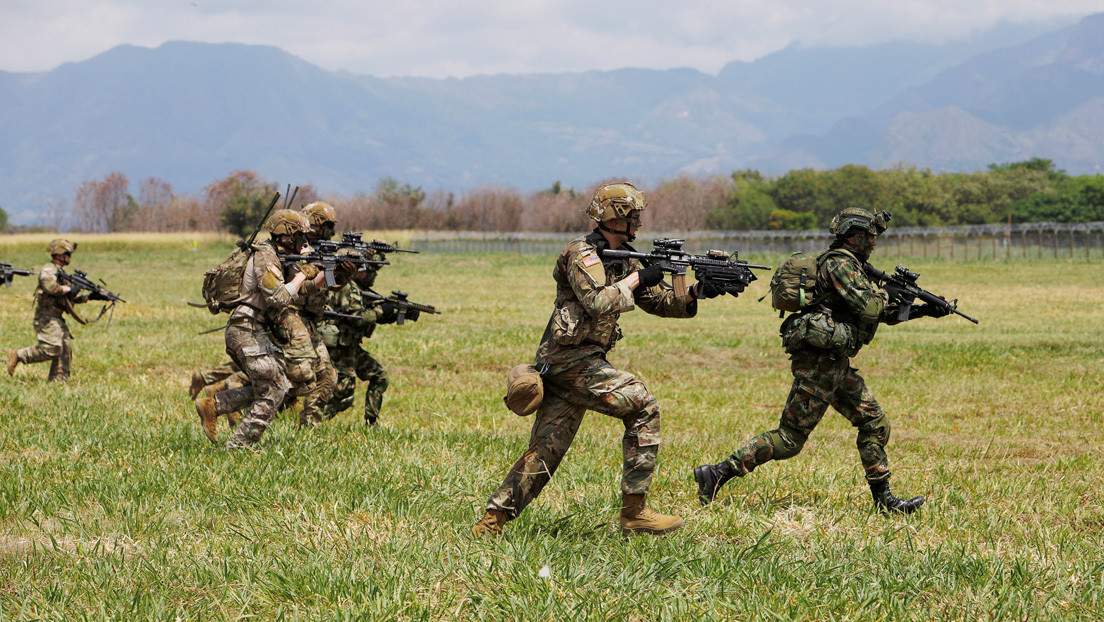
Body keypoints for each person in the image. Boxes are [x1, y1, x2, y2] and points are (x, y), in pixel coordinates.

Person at [472, 182, 725, 537]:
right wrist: (637, 278)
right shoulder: (582, 254)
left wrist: (698, 291)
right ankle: (634, 513)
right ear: (615, 218)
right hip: (571, 362)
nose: (639, 222)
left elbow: (659, 303)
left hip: (574, 365)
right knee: (644, 405)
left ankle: (490, 523)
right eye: (633, 216)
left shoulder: (627, 258)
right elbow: (596, 301)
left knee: (545, 452)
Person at [693, 208, 945, 514]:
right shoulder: (840, 265)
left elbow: (876, 314)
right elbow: (870, 308)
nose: (874, 243)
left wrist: (922, 310)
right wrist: (887, 293)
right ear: (854, 237)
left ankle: (885, 501)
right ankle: (716, 474)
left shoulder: (853, 266)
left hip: (834, 364)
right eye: (870, 237)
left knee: (874, 423)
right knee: (790, 438)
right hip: (820, 364)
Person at [194, 210, 327, 449]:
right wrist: (303, 274)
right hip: (246, 330)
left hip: (255, 329)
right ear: (286, 236)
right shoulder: (266, 257)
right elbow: (278, 297)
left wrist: (324, 275)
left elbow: (299, 293)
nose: (305, 241)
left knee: (284, 385)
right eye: (301, 236)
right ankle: (238, 446)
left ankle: (214, 405)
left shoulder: (276, 255)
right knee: (275, 388)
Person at [320, 259, 413, 426]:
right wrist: (381, 310)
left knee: (379, 377)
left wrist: (398, 314)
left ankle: (371, 422)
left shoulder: (362, 290)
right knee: (344, 393)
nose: (375, 275)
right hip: (340, 348)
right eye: (372, 272)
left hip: (352, 348)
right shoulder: (349, 288)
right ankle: (313, 421)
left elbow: (372, 316)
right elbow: (356, 317)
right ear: (361, 273)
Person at [7, 239, 90, 382]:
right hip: (46, 317)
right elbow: (51, 287)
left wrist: (89, 297)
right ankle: (19, 355)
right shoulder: (49, 269)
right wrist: (69, 288)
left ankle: (58, 380)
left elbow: (68, 299)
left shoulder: (60, 272)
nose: (70, 257)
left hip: (56, 317)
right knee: (52, 348)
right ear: (60, 254)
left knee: (65, 348)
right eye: (68, 254)